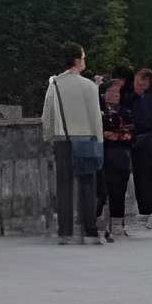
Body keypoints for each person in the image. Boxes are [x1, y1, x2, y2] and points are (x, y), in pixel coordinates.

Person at [41, 42, 103, 244]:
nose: (84, 61)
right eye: (83, 57)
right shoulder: (89, 86)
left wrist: (49, 137)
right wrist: (99, 142)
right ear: (77, 60)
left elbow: (47, 115)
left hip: (62, 139)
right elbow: (96, 118)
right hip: (85, 139)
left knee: (64, 186)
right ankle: (90, 232)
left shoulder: (55, 84)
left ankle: (65, 233)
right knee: (87, 186)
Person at [95, 68, 134, 241]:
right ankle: (99, 223)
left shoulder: (127, 111)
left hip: (121, 155)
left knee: (119, 190)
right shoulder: (98, 111)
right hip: (103, 154)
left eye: (118, 92)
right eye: (111, 91)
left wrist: (123, 134)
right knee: (102, 191)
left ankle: (118, 224)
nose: (115, 94)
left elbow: (134, 131)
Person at [125, 66, 152, 232]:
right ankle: (147, 212)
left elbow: (145, 123)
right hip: (151, 140)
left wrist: (130, 128)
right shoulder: (148, 98)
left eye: (142, 84)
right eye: (137, 83)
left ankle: (146, 213)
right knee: (145, 177)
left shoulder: (147, 100)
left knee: (145, 177)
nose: (138, 86)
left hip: (147, 141)